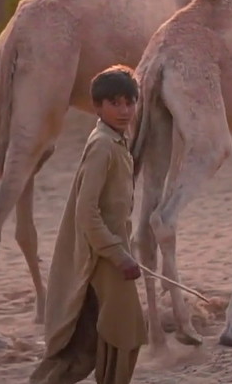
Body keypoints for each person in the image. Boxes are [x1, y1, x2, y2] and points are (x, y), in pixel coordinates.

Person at [30, 65, 147, 384]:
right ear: (97, 106)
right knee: (124, 333)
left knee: (92, 334)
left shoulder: (116, 142)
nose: (124, 111)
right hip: (104, 257)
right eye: (115, 103)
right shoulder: (103, 146)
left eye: (129, 102)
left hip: (112, 252)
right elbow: (87, 212)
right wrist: (118, 255)